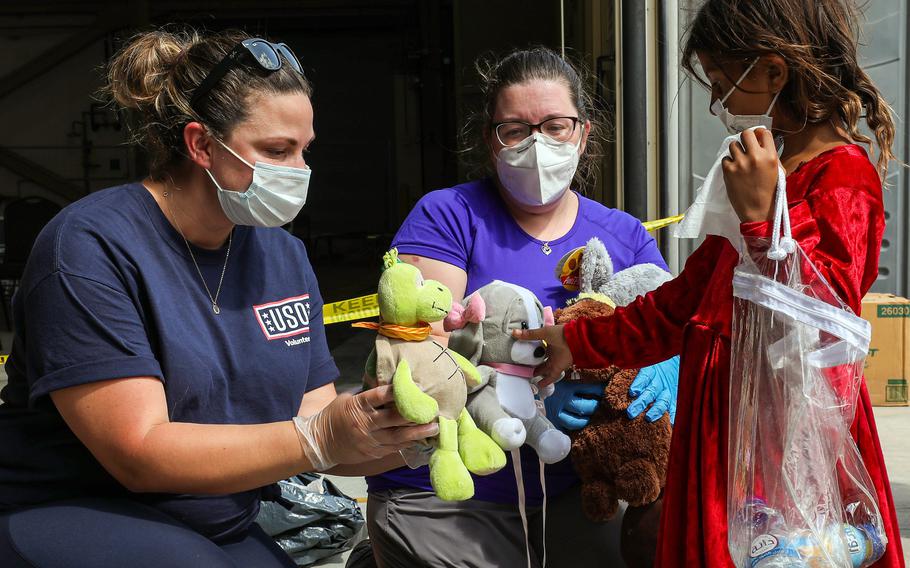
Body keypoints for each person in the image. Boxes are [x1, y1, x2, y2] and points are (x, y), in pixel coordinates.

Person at [0, 28, 437, 567]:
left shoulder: (282, 255)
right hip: (74, 505)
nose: (299, 171)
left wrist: (413, 431)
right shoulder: (89, 247)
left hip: (218, 515)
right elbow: (138, 453)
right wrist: (320, 437)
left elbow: (317, 414)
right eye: (277, 150)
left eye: (304, 150)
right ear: (202, 145)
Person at [516, 1, 906, 566]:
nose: (717, 102)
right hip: (718, 425)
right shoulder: (760, 165)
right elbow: (681, 304)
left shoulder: (842, 175)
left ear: (774, 72)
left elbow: (827, 318)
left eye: (724, 83)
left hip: (782, 434)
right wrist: (577, 342)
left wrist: (758, 219)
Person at [364, 46, 680, 568]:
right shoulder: (448, 216)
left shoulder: (623, 235)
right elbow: (424, 358)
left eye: (555, 125)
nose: (537, 143)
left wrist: (668, 360)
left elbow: (672, 323)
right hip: (452, 492)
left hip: (574, 491)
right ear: (490, 141)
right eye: (515, 129)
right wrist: (530, 401)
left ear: (583, 132)